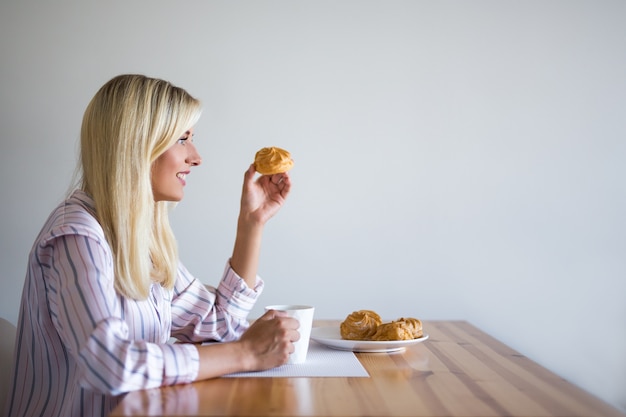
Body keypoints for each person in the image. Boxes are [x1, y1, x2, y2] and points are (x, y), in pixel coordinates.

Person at [4, 74, 299, 417]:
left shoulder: (137, 239)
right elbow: (110, 364)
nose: (196, 157)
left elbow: (219, 324)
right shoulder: (76, 237)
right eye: (182, 140)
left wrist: (252, 223)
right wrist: (246, 353)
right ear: (136, 146)